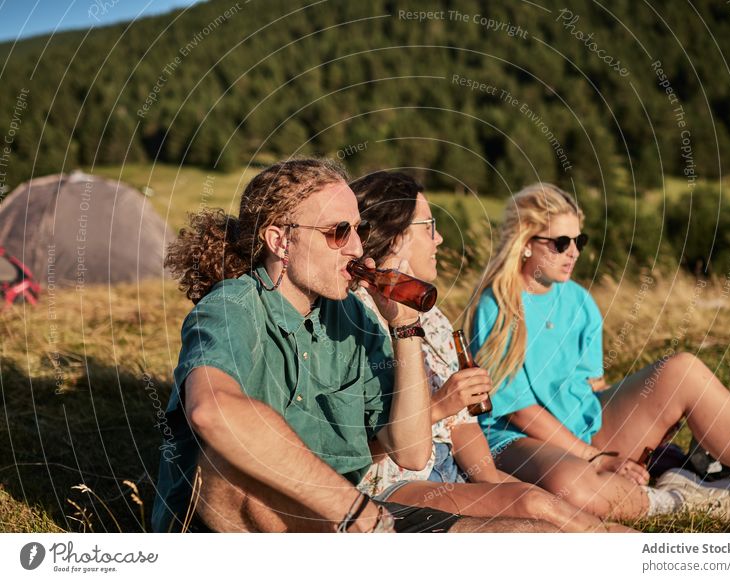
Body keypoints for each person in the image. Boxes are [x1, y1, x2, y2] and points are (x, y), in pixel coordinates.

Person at [151, 158, 558, 533]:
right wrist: (352, 510)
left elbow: (412, 454)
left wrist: (404, 331)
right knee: (229, 467)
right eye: (338, 232)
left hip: (350, 523)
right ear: (280, 241)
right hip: (270, 525)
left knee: (538, 536)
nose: (358, 249)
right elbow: (213, 411)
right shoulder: (233, 307)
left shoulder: (352, 317)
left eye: (359, 230)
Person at [466, 182, 730, 532]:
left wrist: (636, 427)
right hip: (516, 439)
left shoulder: (578, 301)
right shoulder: (497, 304)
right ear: (524, 244)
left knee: (682, 370)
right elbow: (520, 410)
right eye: (561, 243)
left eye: (579, 241)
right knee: (572, 485)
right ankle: (682, 499)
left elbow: (592, 385)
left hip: (586, 426)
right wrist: (593, 458)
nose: (574, 253)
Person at [349, 171, 635, 533]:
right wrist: (443, 404)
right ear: (395, 237)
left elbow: (463, 425)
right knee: (534, 504)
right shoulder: (354, 318)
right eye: (429, 227)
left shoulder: (431, 315)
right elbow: (354, 445)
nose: (439, 238)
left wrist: (492, 480)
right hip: (391, 483)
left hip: (448, 466)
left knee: (535, 500)